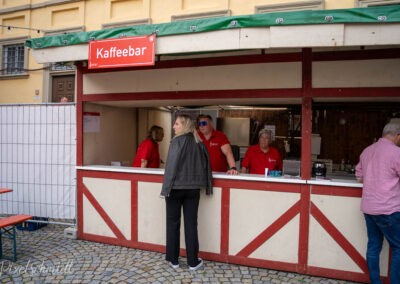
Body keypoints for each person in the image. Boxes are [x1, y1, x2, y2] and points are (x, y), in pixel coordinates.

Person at [160, 114, 212, 271]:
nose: (174, 127)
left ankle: (173, 260)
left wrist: (165, 189)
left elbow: (171, 167)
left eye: (176, 124)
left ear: (184, 125)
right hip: (193, 190)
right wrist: (208, 187)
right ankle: (192, 262)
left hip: (175, 189)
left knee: (173, 224)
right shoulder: (199, 142)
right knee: (191, 224)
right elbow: (207, 166)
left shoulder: (176, 142)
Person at [355, 121, 400, 284]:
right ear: (397, 135)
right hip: (389, 209)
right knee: (399, 247)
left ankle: (375, 282)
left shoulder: (367, 151)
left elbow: (359, 176)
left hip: (369, 208)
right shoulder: (397, 153)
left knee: (374, 246)